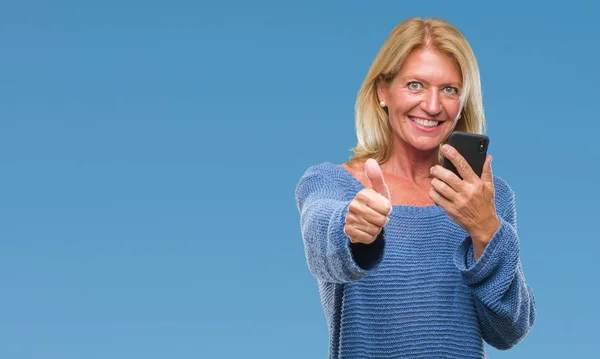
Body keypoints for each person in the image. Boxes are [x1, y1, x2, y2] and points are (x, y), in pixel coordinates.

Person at [294, 17, 536, 359]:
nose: (433, 106)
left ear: (462, 101)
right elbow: (320, 239)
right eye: (415, 85)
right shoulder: (332, 183)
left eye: (449, 89)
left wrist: (485, 230)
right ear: (382, 91)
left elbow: (509, 330)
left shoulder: (485, 197)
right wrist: (351, 223)